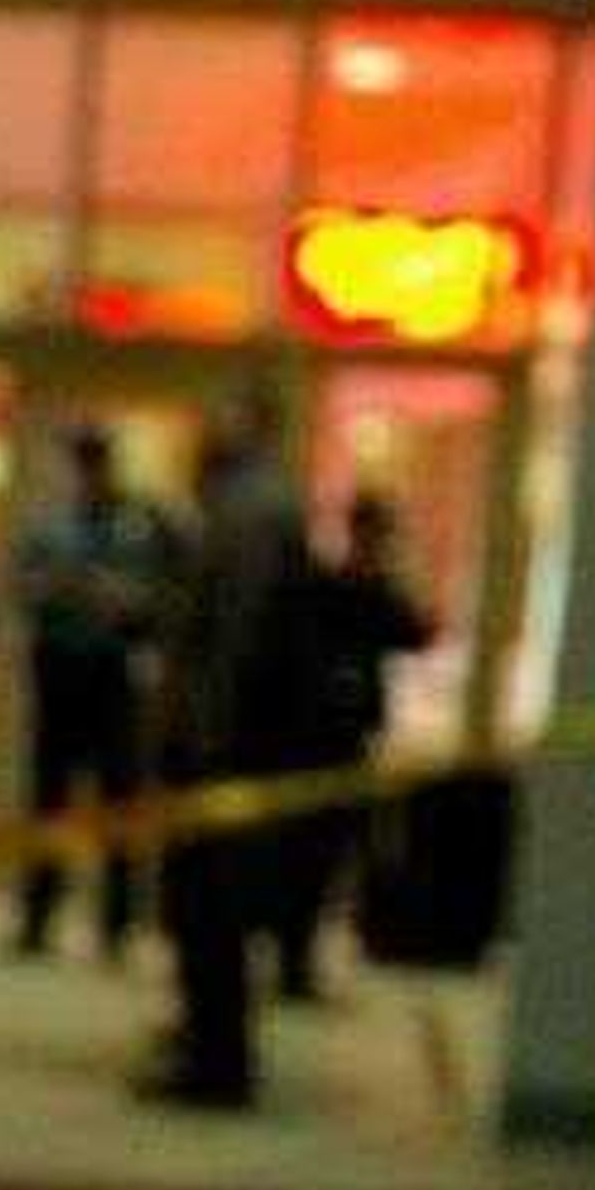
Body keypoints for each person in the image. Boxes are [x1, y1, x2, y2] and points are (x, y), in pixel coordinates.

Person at [144, 385, 326, 1111]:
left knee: (210, 909)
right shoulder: (249, 507)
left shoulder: (252, 511)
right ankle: (206, 1043)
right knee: (208, 910)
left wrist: (205, 738)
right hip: (235, 743)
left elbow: (234, 642)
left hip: (228, 751)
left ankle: (215, 1061)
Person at [8, 416, 182, 963]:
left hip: (114, 677)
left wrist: (126, 601)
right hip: (60, 672)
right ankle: (37, 920)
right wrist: (59, 590)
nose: (90, 472)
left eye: (97, 460)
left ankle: (116, 926)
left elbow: (167, 596)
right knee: (47, 803)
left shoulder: (142, 525)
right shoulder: (50, 525)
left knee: (117, 806)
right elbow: (23, 587)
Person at [274, 485, 436, 1001]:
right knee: (307, 859)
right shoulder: (331, 587)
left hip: (350, 739)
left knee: (332, 859)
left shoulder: (373, 590)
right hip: (316, 740)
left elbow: (418, 632)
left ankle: (301, 958)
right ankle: (291, 960)